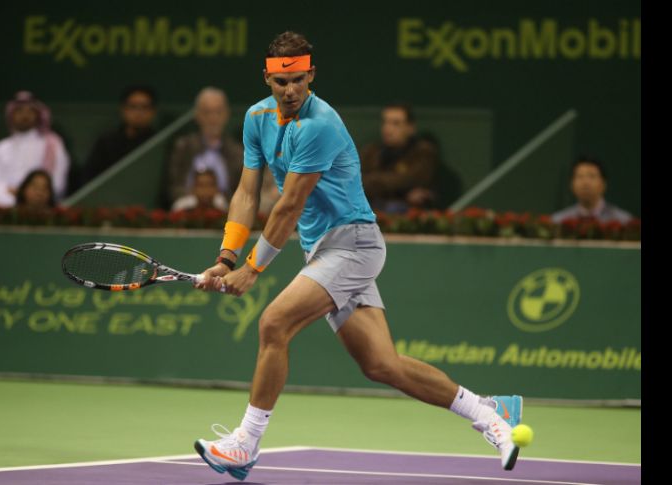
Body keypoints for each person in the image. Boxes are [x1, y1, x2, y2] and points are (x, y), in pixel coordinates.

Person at [192, 31, 523, 481]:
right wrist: (227, 257)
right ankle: (490, 411)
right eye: (279, 81)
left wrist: (252, 269)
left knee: (274, 323)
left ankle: (245, 444)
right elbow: (247, 192)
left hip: (353, 244)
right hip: (323, 250)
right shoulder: (256, 118)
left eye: (298, 80)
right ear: (266, 78)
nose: (290, 90)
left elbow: (288, 206)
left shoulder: (321, 125)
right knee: (381, 364)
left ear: (312, 74)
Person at [165, 87, 243, 208]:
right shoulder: (183, 147)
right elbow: (173, 186)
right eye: (207, 112)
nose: (213, 118)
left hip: (226, 212)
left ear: (227, 115)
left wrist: (220, 200)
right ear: (197, 115)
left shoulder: (238, 152)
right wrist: (193, 198)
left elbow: (242, 191)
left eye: (218, 112)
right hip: (187, 211)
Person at [359, 103, 440, 213]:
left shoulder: (422, 152)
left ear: (410, 128)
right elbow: (356, 181)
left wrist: (374, 182)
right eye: (385, 122)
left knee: (394, 207)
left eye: (396, 123)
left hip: (406, 213)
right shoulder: (371, 152)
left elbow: (409, 179)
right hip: (371, 210)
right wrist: (403, 193)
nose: (388, 129)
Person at [0, 91, 70, 208]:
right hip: (4, 209)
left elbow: (57, 183)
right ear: (11, 114)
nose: (25, 115)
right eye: (19, 111)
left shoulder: (52, 144)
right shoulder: (1, 148)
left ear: (38, 115)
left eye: (30, 111)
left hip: (42, 209)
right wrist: (17, 197)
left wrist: (33, 196)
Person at [81, 85, 158, 185]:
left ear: (153, 112)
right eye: (133, 107)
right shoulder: (107, 142)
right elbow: (89, 177)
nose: (139, 113)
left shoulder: (159, 142)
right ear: (123, 109)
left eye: (145, 107)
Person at [552, 157, 633, 224]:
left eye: (592, 176)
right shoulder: (558, 222)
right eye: (580, 176)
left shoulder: (623, 222)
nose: (585, 182)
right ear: (571, 185)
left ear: (603, 184)